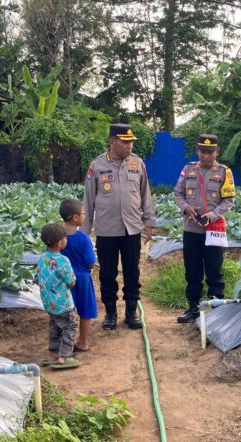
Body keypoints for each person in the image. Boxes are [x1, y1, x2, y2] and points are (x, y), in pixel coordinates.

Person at [82, 123, 156, 330]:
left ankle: (131, 312)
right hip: (106, 230)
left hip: (132, 228)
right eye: (125, 142)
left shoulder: (137, 163)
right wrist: (84, 233)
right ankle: (111, 312)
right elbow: (87, 199)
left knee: (132, 271)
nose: (129, 146)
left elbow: (145, 194)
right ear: (112, 141)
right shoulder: (97, 165)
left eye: (131, 142)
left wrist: (149, 221)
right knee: (107, 273)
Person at [174, 134, 235, 323]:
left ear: (217, 152)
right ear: (197, 151)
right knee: (192, 270)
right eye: (203, 151)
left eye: (210, 152)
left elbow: (229, 200)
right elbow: (178, 193)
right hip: (191, 230)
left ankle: (215, 308)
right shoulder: (188, 169)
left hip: (214, 229)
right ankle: (193, 307)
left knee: (214, 269)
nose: (206, 155)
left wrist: (213, 215)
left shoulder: (225, 172)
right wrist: (186, 208)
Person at [35, 223, 81, 369]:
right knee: (70, 326)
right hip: (64, 304)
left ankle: (52, 352)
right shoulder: (63, 261)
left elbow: (36, 278)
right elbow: (72, 282)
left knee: (54, 325)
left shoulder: (43, 258)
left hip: (49, 303)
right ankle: (64, 356)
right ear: (61, 242)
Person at [60, 198, 97, 351]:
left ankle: (63, 344)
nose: (85, 216)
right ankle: (82, 342)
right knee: (85, 311)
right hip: (81, 279)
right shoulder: (83, 238)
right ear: (75, 217)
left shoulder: (58, 237)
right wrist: (90, 266)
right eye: (83, 213)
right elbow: (90, 260)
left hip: (62, 281)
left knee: (65, 313)